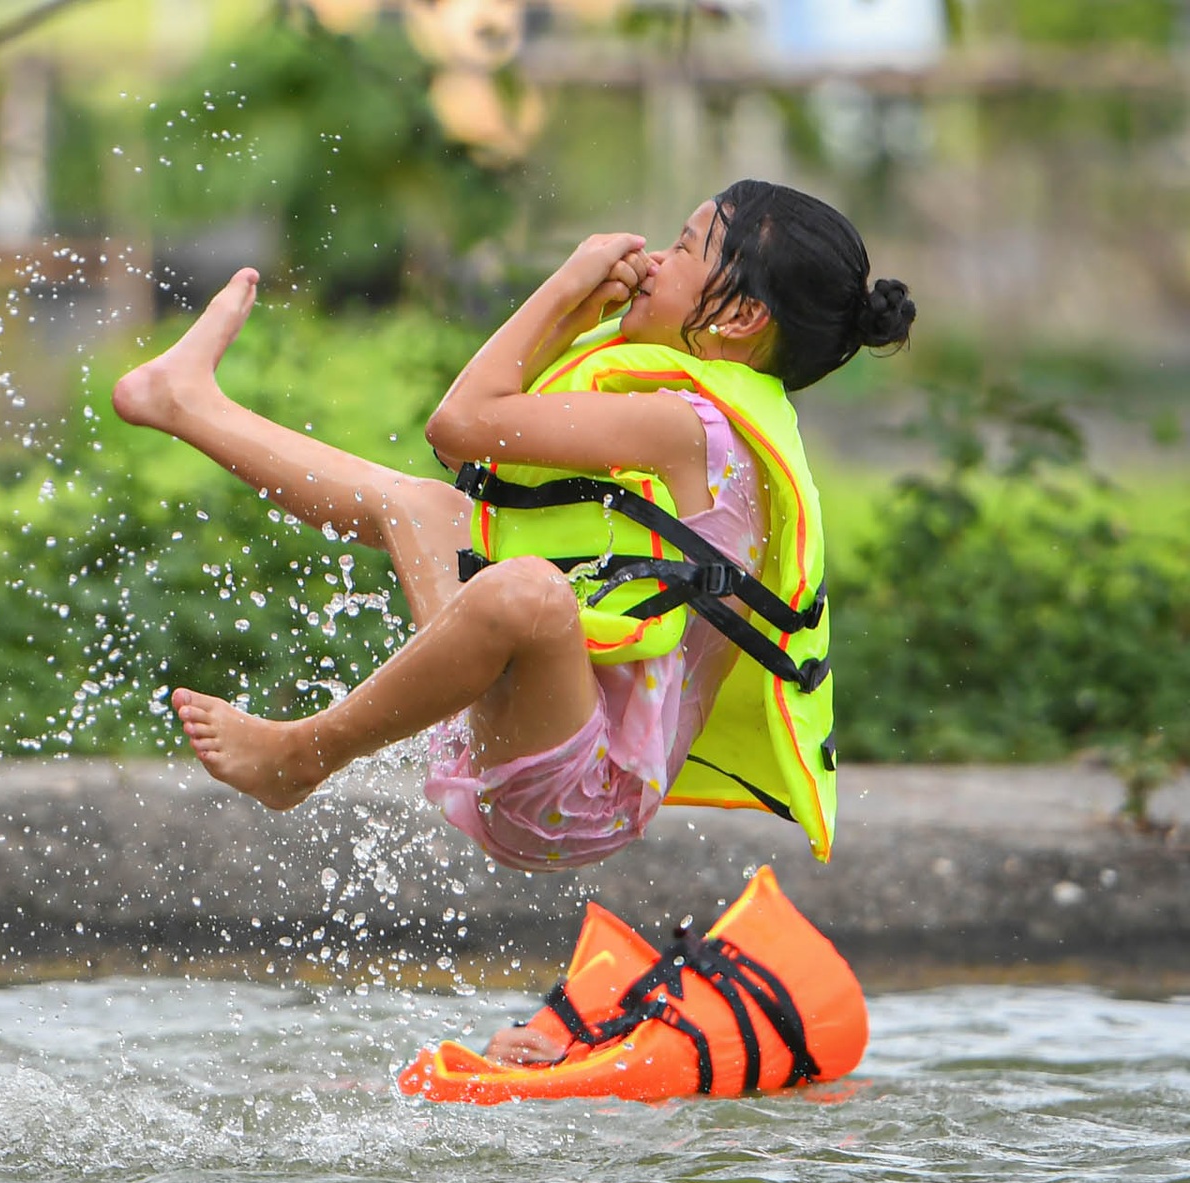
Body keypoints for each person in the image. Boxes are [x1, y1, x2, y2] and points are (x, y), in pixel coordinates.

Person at [112, 179, 914, 871]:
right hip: (533, 730)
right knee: (421, 506)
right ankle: (184, 402)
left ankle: (302, 754)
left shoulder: (690, 429)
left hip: (585, 790)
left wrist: (565, 284)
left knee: (526, 589)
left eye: (683, 247)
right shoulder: (696, 419)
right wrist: (573, 318)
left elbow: (458, 423)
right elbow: (491, 442)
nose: (658, 261)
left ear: (738, 316)